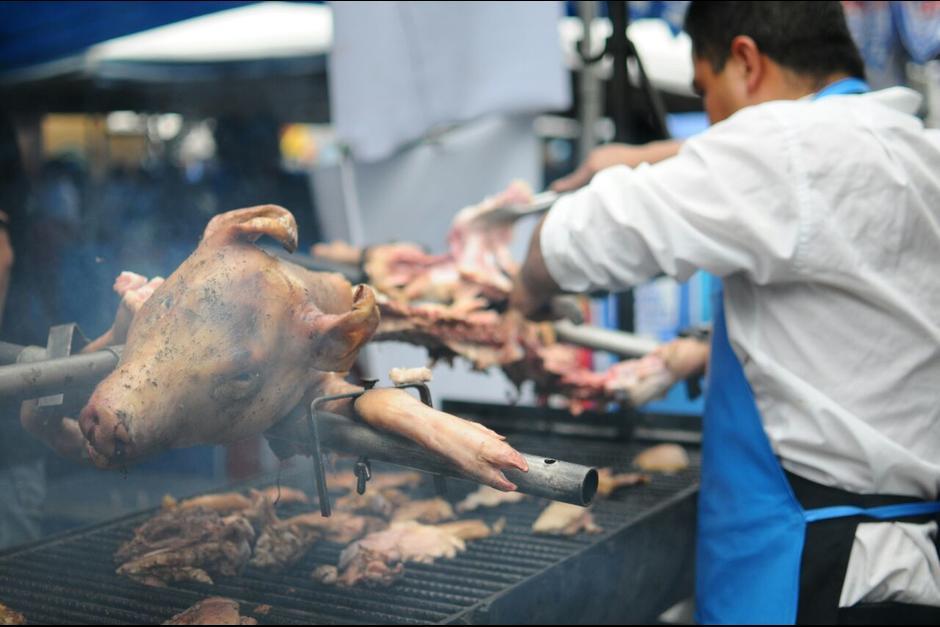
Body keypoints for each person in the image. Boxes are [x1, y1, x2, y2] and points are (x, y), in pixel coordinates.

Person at [510, 2, 940, 624]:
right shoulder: (913, 148)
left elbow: (572, 240)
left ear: (746, 61)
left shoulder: (788, 144)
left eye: (705, 91)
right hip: (897, 568)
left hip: (815, 574)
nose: (709, 117)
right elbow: (853, 320)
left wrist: (524, 289)